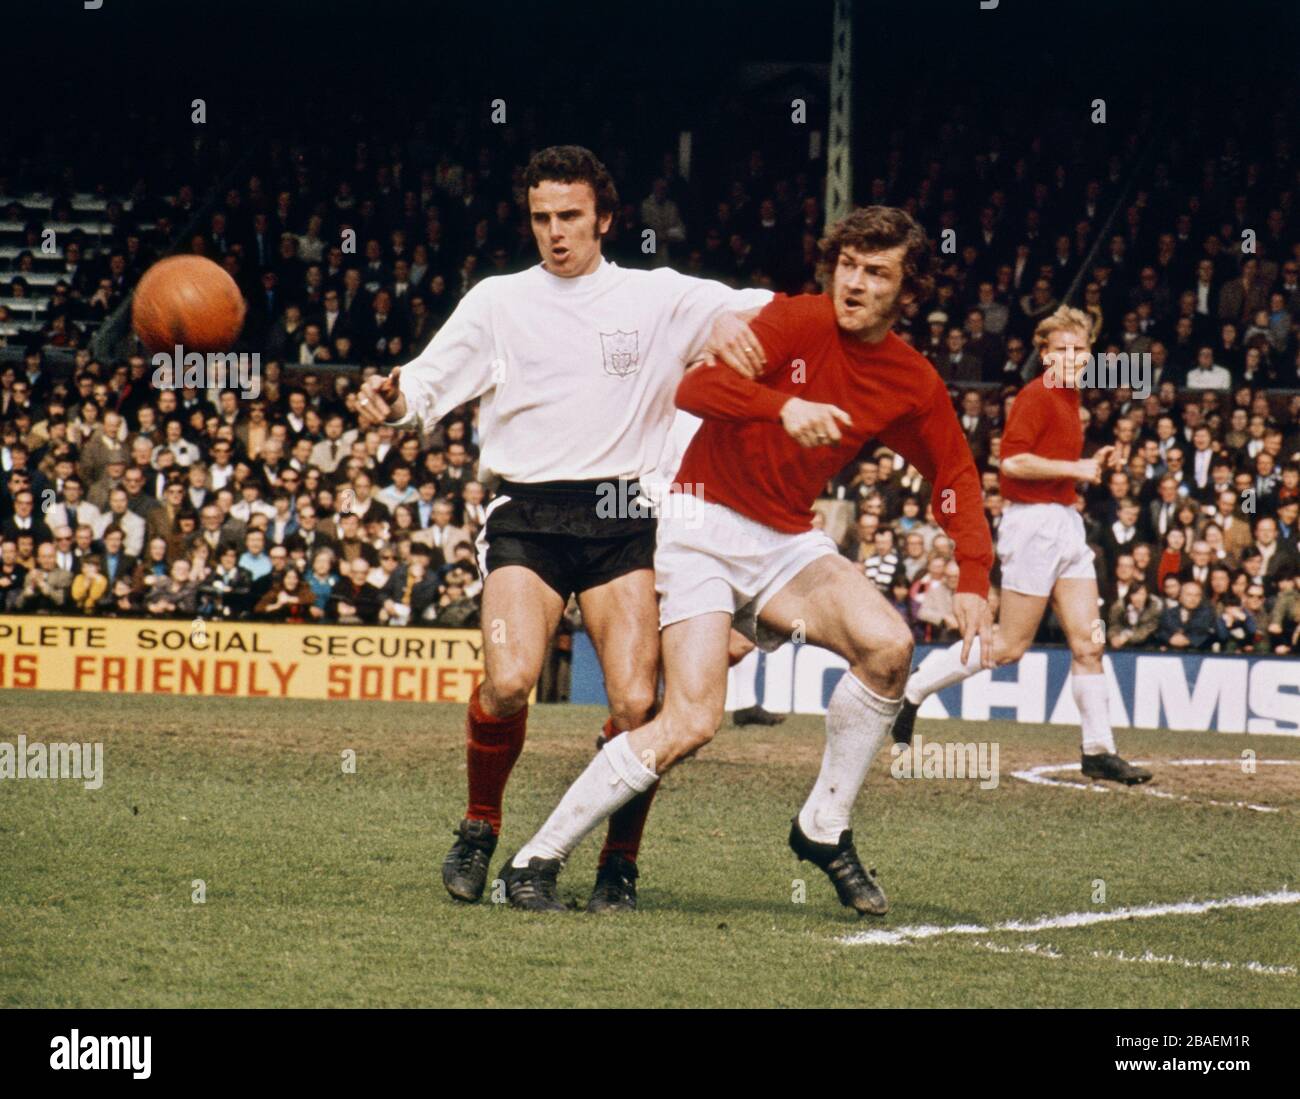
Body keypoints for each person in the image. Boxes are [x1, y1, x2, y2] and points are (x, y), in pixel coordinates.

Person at [498, 206, 994, 915]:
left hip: (785, 540)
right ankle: (535, 858)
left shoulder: (912, 381)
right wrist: (781, 406)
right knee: (693, 720)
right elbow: (695, 389)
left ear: (906, 292)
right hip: (699, 523)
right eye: (847, 265)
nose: (853, 283)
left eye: (875, 273)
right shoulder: (796, 319)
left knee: (890, 647)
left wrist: (974, 573)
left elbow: (954, 472)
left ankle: (823, 826)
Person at [355, 145, 772, 913]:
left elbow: (759, 309)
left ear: (605, 218)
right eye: (542, 217)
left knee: (638, 704)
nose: (555, 232)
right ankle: (480, 826)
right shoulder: (498, 302)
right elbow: (426, 378)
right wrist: (394, 398)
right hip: (528, 512)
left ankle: (618, 861)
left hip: (621, 515)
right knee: (510, 681)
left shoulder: (657, 298)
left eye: (571, 216)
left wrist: (831, 327)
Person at [893, 305, 1152, 785]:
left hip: (1065, 524)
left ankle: (1098, 750)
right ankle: (914, 690)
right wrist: (1075, 470)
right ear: (1045, 354)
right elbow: (1011, 465)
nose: (1071, 357)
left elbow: (1047, 462)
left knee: (1088, 644)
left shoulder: (1073, 399)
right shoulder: (1036, 396)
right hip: (1032, 526)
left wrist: (1090, 462)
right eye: (1062, 350)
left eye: (1079, 350)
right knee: (1009, 646)